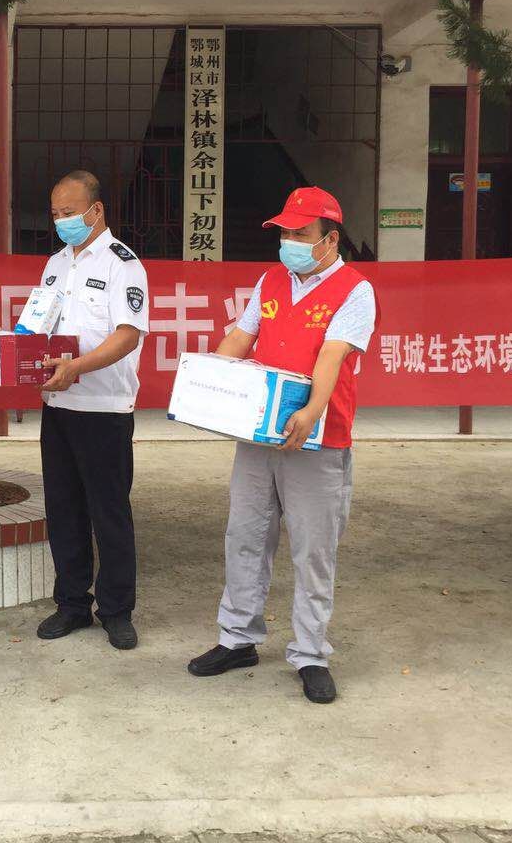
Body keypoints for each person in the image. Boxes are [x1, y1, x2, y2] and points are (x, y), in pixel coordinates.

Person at [187, 186, 377, 705]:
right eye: (285, 232)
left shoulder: (355, 290)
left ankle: (311, 653)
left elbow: (332, 356)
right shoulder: (272, 280)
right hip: (259, 434)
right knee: (245, 535)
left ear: (330, 239)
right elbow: (240, 337)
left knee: (313, 549)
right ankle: (237, 639)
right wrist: (208, 383)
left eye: (301, 233)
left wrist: (310, 412)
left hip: (319, 439)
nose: (290, 241)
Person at [32, 170, 150, 650]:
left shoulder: (124, 265)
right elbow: (39, 325)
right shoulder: (56, 263)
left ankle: (117, 610)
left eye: (69, 212)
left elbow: (127, 335)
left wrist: (77, 366)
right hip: (58, 404)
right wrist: (18, 346)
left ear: (95, 211)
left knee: (109, 513)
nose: (61, 221)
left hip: (104, 408)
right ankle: (72, 604)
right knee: (64, 510)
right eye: (55, 214)